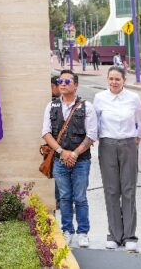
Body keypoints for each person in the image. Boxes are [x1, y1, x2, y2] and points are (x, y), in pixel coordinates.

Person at [42, 69, 97, 248]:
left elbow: (92, 135)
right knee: (64, 197)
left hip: (81, 160)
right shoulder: (51, 106)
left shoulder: (86, 107)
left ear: (76, 85)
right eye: (60, 81)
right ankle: (67, 230)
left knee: (80, 197)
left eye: (67, 81)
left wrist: (74, 154)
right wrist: (62, 152)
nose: (63, 84)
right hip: (59, 160)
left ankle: (83, 232)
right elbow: (46, 133)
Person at [93, 66, 141, 250]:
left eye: (117, 79)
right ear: (107, 80)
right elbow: (95, 122)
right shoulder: (100, 98)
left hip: (128, 144)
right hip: (107, 144)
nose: (114, 82)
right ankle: (114, 234)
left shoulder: (133, 98)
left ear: (124, 81)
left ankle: (129, 236)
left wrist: (137, 137)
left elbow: (140, 120)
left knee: (129, 190)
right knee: (111, 190)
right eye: (111, 79)